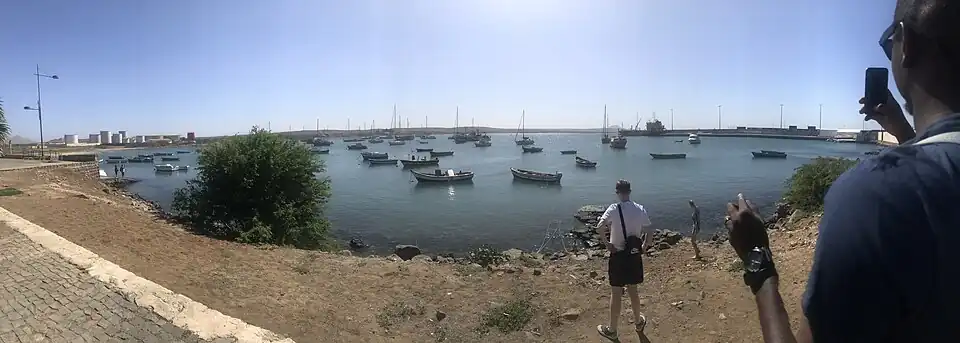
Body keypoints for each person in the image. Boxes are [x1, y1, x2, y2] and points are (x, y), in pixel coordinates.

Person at [726, 1, 960, 341]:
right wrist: (905, 134)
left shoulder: (875, 195)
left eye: (887, 43)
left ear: (906, 44)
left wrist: (757, 260)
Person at [594, 180, 653, 342]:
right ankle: (638, 322)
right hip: (634, 255)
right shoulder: (640, 209)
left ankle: (612, 330)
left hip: (618, 255)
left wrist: (607, 244)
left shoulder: (613, 209)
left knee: (616, 292)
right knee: (633, 290)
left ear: (617, 192)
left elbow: (599, 227)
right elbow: (649, 230)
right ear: (630, 191)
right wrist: (644, 246)